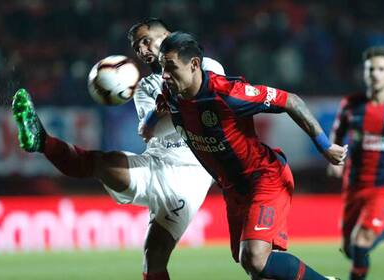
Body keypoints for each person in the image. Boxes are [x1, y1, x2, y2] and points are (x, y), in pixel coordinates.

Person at [12, 18, 225, 280]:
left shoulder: (205, 65)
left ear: (168, 35)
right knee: (105, 163)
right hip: (156, 163)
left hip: (189, 175)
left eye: (147, 41)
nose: (143, 50)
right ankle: (42, 141)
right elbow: (153, 131)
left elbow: (207, 107)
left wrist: (166, 112)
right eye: (137, 47)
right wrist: (166, 115)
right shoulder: (145, 88)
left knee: (155, 255)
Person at [145, 31, 347, 280]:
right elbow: (155, 114)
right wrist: (150, 123)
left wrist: (324, 146)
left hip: (265, 178)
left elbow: (290, 101)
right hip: (234, 189)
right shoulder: (171, 92)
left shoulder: (228, 93)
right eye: (163, 67)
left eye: (171, 67)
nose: (164, 74)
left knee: (254, 256)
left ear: (194, 64)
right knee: (256, 269)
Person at [327, 46, 384, 280]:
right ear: (364, 73)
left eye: (381, 69)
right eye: (370, 69)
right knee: (350, 249)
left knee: (361, 242)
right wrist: (332, 158)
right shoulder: (351, 105)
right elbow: (336, 134)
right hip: (353, 183)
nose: (375, 73)